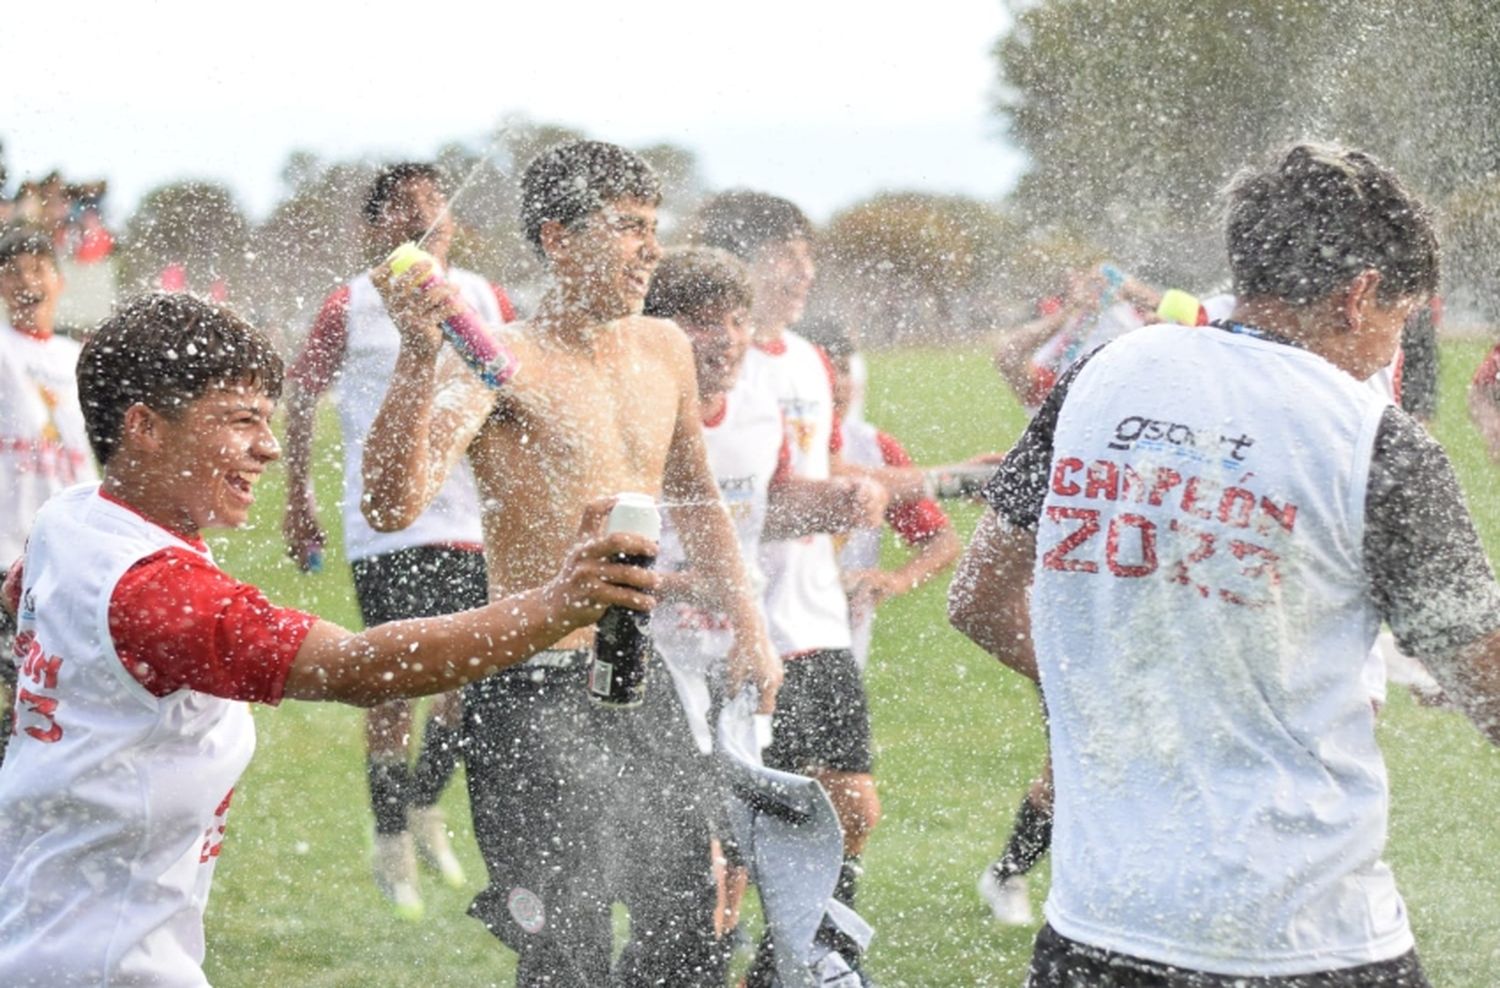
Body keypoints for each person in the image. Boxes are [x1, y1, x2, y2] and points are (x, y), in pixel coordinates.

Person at [949, 142, 1500, 986]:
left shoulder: (1100, 376)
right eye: (1398, 322)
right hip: (1303, 943)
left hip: (1094, 933)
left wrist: (1123, 692)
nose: (1391, 352)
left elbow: (978, 596)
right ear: (1358, 298)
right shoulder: (1373, 441)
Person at [0, 291, 659, 988]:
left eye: (269, 417)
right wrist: (559, 605)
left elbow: (17, 603)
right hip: (103, 968)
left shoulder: (73, 521)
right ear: (144, 427)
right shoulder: (155, 592)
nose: (271, 446)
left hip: (39, 934)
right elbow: (357, 668)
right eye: (240, 420)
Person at [361, 141, 780, 987]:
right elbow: (389, 507)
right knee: (568, 950)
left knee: (691, 926)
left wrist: (754, 630)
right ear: (557, 237)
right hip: (527, 691)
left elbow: (695, 500)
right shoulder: (497, 359)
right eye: (628, 228)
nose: (650, 249)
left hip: (637, 675)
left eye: (653, 228)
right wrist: (414, 355)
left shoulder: (663, 345)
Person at [281, 162, 515, 918]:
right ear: (374, 229)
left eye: (433, 210)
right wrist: (298, 497)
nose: (421, 222)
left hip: (471, 525)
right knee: (393, 687)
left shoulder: (482, 297)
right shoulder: (350, 303)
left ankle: (423, 806)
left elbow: (511, 393)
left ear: (453, 223)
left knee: (467, 686)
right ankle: (391, 842)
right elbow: (299, 395)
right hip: (386, 528)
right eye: (402, 212)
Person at [695, 191, 888, 982]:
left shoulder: (808, 357)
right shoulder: (708, 367)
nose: (805, 269)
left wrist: (870, 489)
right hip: (729, 631)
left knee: (851, 804)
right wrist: (827, 498)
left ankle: (796, 962)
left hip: (816, 621)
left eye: (808, 252)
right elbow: (744, 509)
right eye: (786, 253)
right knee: (727, 844)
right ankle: (717, 959)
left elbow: (816, 475)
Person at [0, 226, 96, 764]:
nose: (25, 281)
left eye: (37, 268)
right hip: (4, 552)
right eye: (11, 270)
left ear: (59, 281)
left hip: (64, 561)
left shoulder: (80, 359)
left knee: (55, 702)